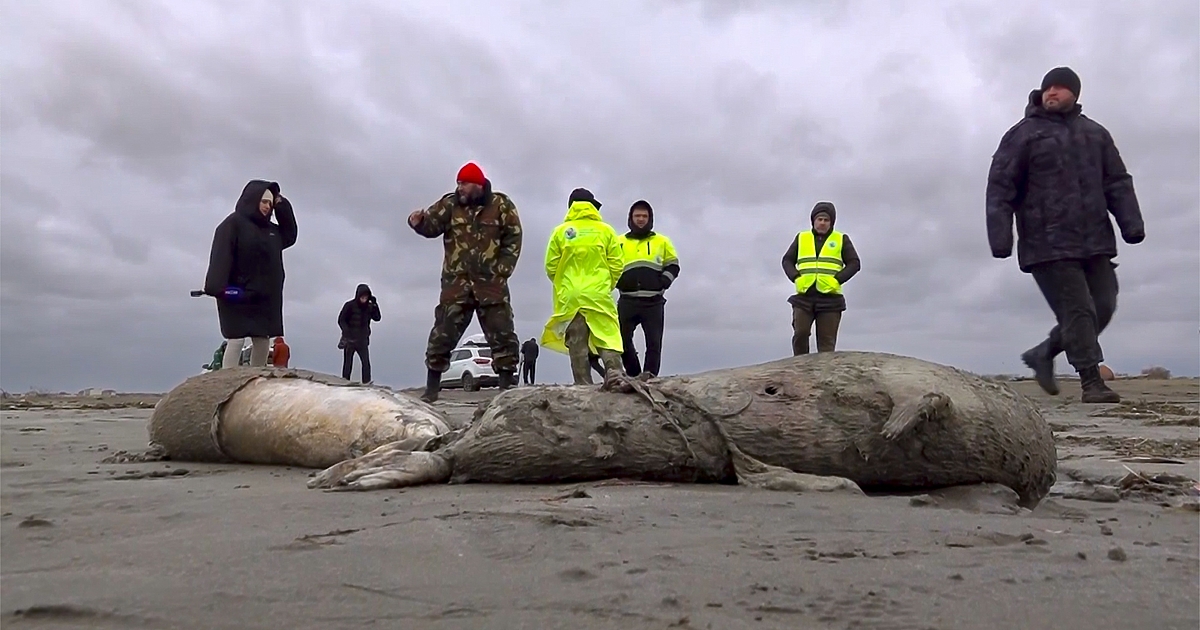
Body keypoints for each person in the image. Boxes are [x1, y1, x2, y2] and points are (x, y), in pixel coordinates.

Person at [986, 67, 1144, 404]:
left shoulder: (1096, 134)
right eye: (1048, 88)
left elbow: (1117, 181)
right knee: (1078, 309)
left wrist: (1131, 223)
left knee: (1103, 306)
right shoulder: (1023, 135)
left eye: (1059, 87)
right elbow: (1000, 187)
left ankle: (1044, 352)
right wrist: (1001, 237)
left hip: (1095, 240)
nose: (1051, 93)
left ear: (1075, 93)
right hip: (1046, 242)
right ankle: (1091, 381)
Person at [408, 162, 522, 401]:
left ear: (478, 184)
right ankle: (432, 390)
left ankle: (505, 388)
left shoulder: (501, 205)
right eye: (458, 183)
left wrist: (502, 270)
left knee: (502, 332)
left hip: (491, 283)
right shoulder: (449, 205)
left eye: (464, 183)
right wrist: (417, 222)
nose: (459, 187)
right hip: (456, 283)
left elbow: (513, 236)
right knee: (443, 333)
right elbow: (431, 226)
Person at [204, 180, 298, 368]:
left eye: (270, 203)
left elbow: (290, 234)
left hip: (265, 296)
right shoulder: (232, 224)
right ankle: (227, 379)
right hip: (236, 293)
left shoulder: (272, 231)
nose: (267, 207)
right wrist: (217, 288)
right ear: (252, 199)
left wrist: (281, 203)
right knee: (236, 339)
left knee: (262, 339)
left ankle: (257, 377)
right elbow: (221, 256)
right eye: (264, 201)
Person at [541, 188, 626, 385]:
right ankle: (615, 374)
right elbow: (617, 264)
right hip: (598, 293)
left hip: (571, 295)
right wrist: (606, 284)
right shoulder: (606, 231)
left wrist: (564, 285)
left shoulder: (560, 232)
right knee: (607, 335)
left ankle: (583, 385)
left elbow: (551, 266)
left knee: (577, 342)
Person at [781, 201, 860, 355]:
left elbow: (854, 263)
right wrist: (796, 277)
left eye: (826, 220)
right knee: (800, 333)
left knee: (826, 343)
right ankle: (800, 365)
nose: (822, 223)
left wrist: (837, 280)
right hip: (804, 296)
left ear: (831, 222)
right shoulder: (802, 238)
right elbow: (787, 260)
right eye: (819, 219)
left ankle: (825, 370)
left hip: (830, 298)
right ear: (813, 221)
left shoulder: (841, 239)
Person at [616, 200, 680, 378]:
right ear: (630, 218)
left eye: (644, 216)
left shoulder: (662, 241)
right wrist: (618, 282)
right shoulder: (618, 242)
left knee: (654, 343)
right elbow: (608, 266)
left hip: (653, 302)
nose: (641, 219)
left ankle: (650, 377)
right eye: (637, 215)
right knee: (621, 341)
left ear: (650, 218)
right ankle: (634, 374)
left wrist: (663, 282)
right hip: (627, 300)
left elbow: (673, 265)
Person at [337, 284, 380, 383]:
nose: (364, 299)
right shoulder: (349, 305)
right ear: (358, 295)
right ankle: (345, 382)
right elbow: (341, 320)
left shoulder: (369, 307)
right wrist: (346, 331)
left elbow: (377, 318)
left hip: (362, 340)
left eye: (366, 297)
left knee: (366, 363)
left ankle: (367, 383)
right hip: (349, 340)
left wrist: (375, 305)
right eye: (362, 297)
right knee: (348, 364)